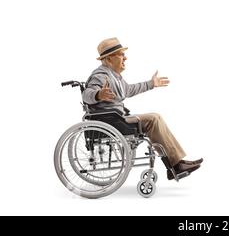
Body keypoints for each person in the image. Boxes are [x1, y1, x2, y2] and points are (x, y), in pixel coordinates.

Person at [82, 37, 203, 180]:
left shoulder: (115, 76)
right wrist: (98, 94)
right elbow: (86, 95)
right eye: (121, 54)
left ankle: (176, 164)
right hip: (111, 121)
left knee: (154, 118)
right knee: (154, 118)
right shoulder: (101, 75)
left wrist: (151, 84)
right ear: (108, 59)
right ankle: (176, 165)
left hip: (116, 118)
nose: (125, 58)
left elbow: (130, 90)